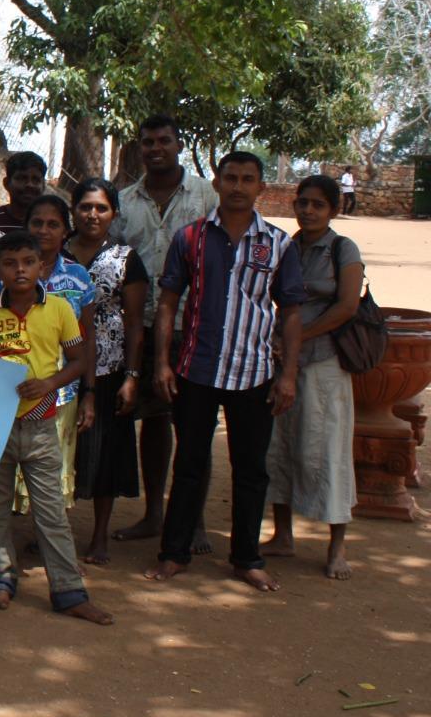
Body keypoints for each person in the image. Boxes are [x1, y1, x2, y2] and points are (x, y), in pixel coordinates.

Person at [145, 151, 304, 593]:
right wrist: (162, 361)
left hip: (253, 372)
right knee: (190, 464)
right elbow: (168, 303)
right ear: (216, 184)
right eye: (230, 178)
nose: (237, 186)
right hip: (196, 368)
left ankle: (246, 558)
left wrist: (287, 374)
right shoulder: (190, 238)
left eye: (247, 179)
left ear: (260, 188)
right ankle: (173, 553)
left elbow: (290, 313)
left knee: (251, 468)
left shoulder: (277, 243)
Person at [0, 232, 112, 624]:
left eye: (28, 262)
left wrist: (48, 384)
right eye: (10, 264)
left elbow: (79, 360)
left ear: (42, 267)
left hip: (43, 423)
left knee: (50, 514)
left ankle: (68, 591)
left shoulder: (60, 309)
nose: (20, 270)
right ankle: (0, 577)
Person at [109, 114, 218, 546]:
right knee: (152, 422)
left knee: (195, 426)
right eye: (148, 142)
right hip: (142, 328)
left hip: (195, 327)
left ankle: (194, 521)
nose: (155, 148)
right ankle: (154, 514)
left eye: (164, 141)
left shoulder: (205, 197)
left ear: (178, 144)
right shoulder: (124, 202)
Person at [263, 175, 362, 579]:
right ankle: (283, 535)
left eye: (318, 204)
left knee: (327, 451)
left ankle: (337, 547)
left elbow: (346, 307)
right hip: (282, 361)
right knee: (280, 445)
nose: (308, 210)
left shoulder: (343, 249)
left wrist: (299, 335)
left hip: (323, 363)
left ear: (333, 210)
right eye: (302, 202)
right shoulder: (287, 247)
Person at [0, 194, 97, 511]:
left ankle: (43, 540)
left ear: (66, 231)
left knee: (51, 470)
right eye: (37, 223)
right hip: (6, 390)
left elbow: (87, 340)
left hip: (59, 392)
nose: (44, 230)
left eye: (53, 224)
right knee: (3, 469)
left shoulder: (77, 277)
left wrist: (88, 393)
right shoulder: (1, 272)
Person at [63, 178, 147, 563]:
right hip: (56, 367)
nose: (92, 214)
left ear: (113, 213)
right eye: (85, 206)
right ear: (73, 209)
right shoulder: (56, 252)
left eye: (101, 208)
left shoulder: (125, 258)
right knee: (57, 452)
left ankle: (99, 537)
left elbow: (133, 323)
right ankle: (54, 533)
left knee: (105, 454)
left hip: (108, 368)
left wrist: (131, 377)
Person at [0, 151, 46, 231]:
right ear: (6, 183)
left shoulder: (50, 226)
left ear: (43, 186)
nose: (29, 185)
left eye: (36, 179)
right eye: (22, 178)